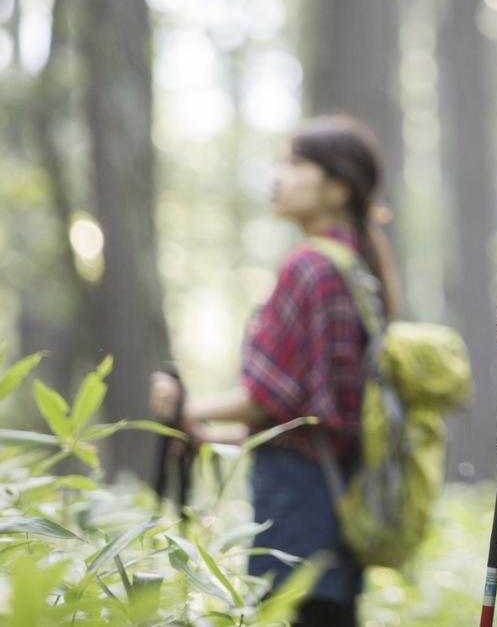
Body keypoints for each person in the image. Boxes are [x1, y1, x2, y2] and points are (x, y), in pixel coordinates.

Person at [150, 115, 403, 627]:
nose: (277, 176)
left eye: (294, 163)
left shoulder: (309, 266)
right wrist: (208, 427)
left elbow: (276, 398)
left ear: (336, 189)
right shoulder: (354, 265)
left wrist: (184, 410)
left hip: (297, 500)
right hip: (339, 493)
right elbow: (311, 404)